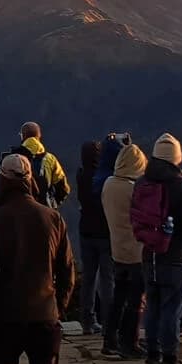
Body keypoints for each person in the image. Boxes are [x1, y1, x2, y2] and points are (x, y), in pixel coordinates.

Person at [0, 154, 75, 364]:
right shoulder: (53, 218)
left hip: (5, 317)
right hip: (44, 314)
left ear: (2, 179)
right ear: (30, 179)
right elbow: (67, 269)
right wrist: (59, 307)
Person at [133, 132, 182, 364]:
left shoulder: (143, 183)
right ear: (177, 157)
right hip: (177, 255)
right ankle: (170, 359)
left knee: (152, 306)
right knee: (171, 309)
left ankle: (152, 357)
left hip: (149, 253)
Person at [100, 142, 147, 359]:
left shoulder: (108, 184)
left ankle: (110, 340)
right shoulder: (132, 188)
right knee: (136, 300)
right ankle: (130, 342)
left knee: (118, 298)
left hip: (117, 248)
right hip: (137, 251)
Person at [76, 140, 114, 335]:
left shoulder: (81, 175)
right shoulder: (105, 178)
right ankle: (109, 321)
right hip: (105, 232)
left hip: (86, 231)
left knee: (89, 278)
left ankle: (87, 320)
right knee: (107, 279)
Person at [13, 122, 71, 209]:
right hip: (44, 209)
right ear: (39, 136)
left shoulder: (14, 158)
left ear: (23, 136)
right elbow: (64, 188)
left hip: (19, 209)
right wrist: (52, 204)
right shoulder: (51, 159)